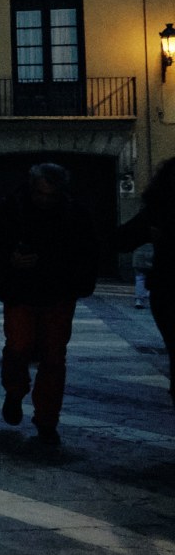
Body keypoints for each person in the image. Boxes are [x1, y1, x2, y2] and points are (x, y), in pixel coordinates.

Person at [0, 162, 98, 444]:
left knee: (53, 359)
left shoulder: (75, 215)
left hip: (58, 295)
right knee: (17, 348)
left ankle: (47, 420)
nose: (44, 200)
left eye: (50, 195)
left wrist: (77, 282)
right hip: (21, 292)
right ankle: (15, 393)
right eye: (40, 194)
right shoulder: (12, 209)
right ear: (31, 189)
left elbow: (88, 251)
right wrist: (10, 259)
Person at [115, 157, 175, 404]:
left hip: (168, 289)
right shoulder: (157, 211)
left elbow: (122, 240)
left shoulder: (158, 209)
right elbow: (124, 239)